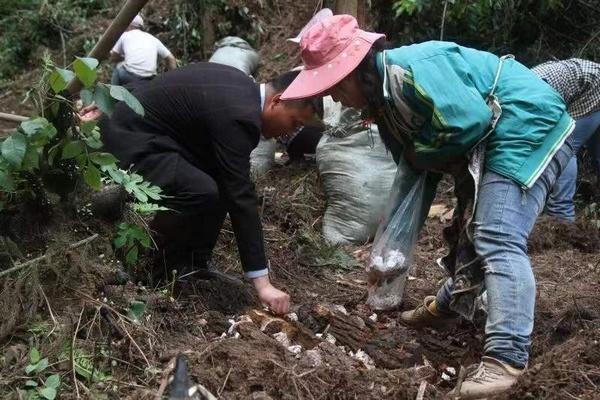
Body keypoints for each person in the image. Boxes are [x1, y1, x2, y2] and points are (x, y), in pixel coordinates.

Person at [280, 15, 577, 399]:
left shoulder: (411, 71)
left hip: (524, 123)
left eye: (335, 86)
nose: (334, 97)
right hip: (494, 134)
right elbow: (414, 173)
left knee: (496, 234)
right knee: (467, 227)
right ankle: (451, 303)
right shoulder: (384, 105)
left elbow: (470, 121)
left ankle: (506, 359)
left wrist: (422, 155)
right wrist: (391, 247)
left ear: (356, 70)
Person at [98, 62, 318, 315]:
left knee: (220, 182)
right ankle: (153, 268)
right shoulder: (240, 115)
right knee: (201, 191)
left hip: (152, 134)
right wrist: (263, 284)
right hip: (128, 138)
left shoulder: (240, 85)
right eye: (294, 123)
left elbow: (232, 185)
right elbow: (241, 198)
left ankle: (194, 263)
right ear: (277, 101)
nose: (289, 133)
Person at [534, 59, 600, 220]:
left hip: (592, 87)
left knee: (565, 146)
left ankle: (561, 213)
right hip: (583, 81)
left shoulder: (520, 97)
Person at [109, 14, 177, 87]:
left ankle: (113, 95)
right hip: (150, 78)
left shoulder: (125, 35)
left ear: (128, 25)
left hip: (130, 76)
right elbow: (171, 59)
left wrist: (124, 57)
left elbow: (113, 58)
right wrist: (171, 80)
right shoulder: (152, 38)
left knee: (118, 67)